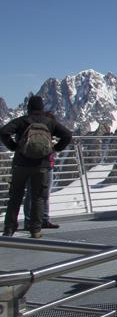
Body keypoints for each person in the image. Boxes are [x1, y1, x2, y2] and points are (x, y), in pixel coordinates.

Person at [1, 96, 73, 238]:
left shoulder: (22, 121)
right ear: (42, 108)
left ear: (29, 108)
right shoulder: (49, 122)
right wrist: (55, 148)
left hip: (21, 164)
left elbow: (3, 132)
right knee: (38, 197)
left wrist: (13, 147)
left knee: (15, 197)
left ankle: (9, 229)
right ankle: (35, 230)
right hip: (42, 165)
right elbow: (67, 135)